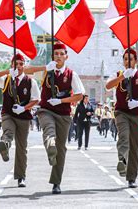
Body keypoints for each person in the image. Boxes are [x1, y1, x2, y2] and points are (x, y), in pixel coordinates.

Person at [24, 42, 85, 194]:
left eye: (61, 54)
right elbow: (26, 70)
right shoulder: (47, 70)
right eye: (56, 54)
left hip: (63, 113)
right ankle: (50, 145)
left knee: (61, 149)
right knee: (48, 130)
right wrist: (45, 67)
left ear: (66, 56)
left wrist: (61, 100)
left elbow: (79, 95)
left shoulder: (71, 74)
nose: (58, 57)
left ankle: (56, 182)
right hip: (46, 110)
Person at [105, 48, 138, 188]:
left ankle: (131, 177)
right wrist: (122, 77)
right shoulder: (117, 74)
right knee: (123, 135)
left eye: (130, 59)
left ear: (136, 61)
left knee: (135, 146)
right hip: (121, 112)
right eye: (125, 59)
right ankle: (122, 159)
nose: (128, 61)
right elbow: (108, 86)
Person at [0, 53, 40, 188]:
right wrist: (8, 71)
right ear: (11, 65)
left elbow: (36, 99)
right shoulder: (6, 79)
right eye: (15, 64)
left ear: (24, 66)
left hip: (23, 117)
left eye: (20, 64)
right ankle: (4, 146)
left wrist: (24, 108)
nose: (18, 66)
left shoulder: (31, 82)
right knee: (7, 132)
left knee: (22, 147)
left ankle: (21, 176)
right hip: (8, 114)